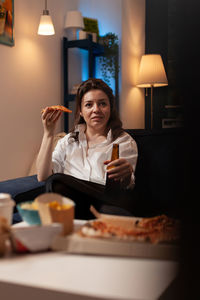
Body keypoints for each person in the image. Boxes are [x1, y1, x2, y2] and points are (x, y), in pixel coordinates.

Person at [36, 78, 138, 219]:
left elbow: (126, 185)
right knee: (54, 182)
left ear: (110, 108)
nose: (96, 110)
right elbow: (42, 176)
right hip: (70, 200)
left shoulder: (124, 141)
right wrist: (48, 134)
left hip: (105, 200)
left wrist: (126, 174)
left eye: (102, 104)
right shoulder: (68, 141)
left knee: (57, 182)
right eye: (89, 105)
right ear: (81, 111)